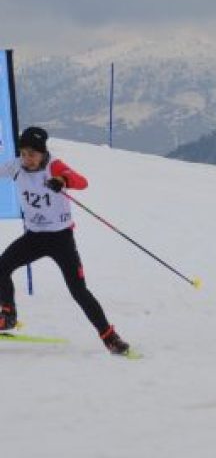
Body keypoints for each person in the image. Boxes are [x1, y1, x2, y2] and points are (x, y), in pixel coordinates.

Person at [0, 126, 131, 354]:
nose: (27, 159)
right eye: (23, 153)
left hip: (61, 240)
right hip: (34, 237)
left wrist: (62, 180)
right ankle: (8, 314)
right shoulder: (16, 166)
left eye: (32, 154)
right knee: (2, 267)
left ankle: (110, 337)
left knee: (78, 290)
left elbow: (82, 182)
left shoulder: (54, 166)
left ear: (43, 153)